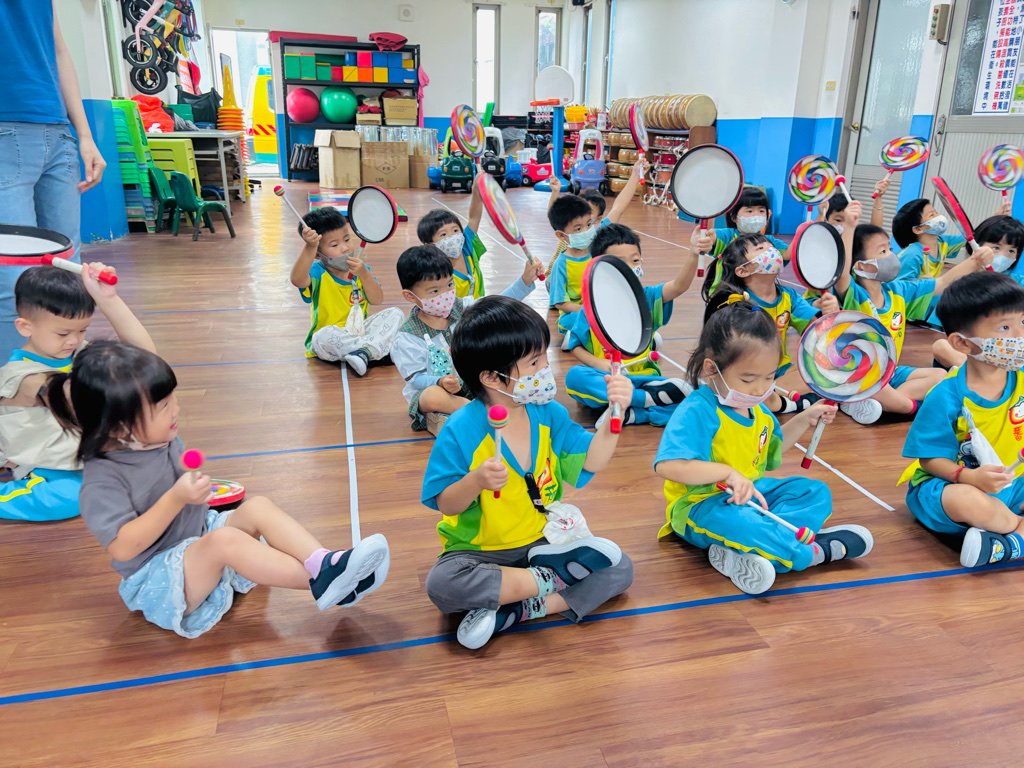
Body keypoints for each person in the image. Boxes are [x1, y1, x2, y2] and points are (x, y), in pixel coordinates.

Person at [46, 341, 391, 638]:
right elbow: (123, 548)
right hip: (161, 577)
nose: (176, 408)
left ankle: (325, 564)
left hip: (197, 537)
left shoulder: (152, 438)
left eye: (172, 398)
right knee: (224, 540)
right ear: (120, 427)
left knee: (257, 506)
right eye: (163, 406)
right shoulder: (101, 482)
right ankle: (324, 584)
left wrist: (108, 299)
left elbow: (142, 350)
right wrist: (175, 498)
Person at [422, 296, 635, 649]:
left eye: (543, 357)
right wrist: (475, 481)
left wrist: (616, 413)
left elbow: (592, 461)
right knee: (443, 585)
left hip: (542, 543)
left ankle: (520, 608)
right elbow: (446, 504)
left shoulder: (549, 414)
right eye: (534, 362)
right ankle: (550, 582)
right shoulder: (460, 429)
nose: (545, 368)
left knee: (621, 568)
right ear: (492, 377)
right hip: (480, 553)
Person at [654, 294, 873, 595]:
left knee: (814, 492)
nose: (760, 389)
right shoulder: (698, 410)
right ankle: (809, 552)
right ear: (711, 369)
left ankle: (765, 545)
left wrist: (805, 418)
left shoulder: (757, 410)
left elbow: (773, 451)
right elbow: (669, 465)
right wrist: (727, 474)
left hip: (753, 495)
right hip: (699, 506)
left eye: (769, 377)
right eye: (748, 379)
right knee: (742, 523)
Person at [0, 0, 108, 362]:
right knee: (14, 280)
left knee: (67, 270)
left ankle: (61, 376)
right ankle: (19, 388)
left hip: (58, 133)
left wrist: (85, 136)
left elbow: (59, 51)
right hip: (6, 130)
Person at [0, 263, 148, 521]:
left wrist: (108, 299)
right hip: (50, 463)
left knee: (163, 450)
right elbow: (65, 396)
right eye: (63, 333)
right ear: (25, 327)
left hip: (91, 451)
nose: (74, 340)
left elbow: (145, 362)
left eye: (82, 330)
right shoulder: (19, 378)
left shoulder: (80, 352)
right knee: (68, 498)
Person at [900, 271, 1024, 568]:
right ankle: (1015, 532)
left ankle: (1007, 540)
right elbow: (930, 460)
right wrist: (970, 478)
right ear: (963, 343)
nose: (1020, 336)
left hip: (1013, 483)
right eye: (1005, 327)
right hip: (954, 484)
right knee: (966, 500)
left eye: (1023, 322)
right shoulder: (946, 396)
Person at [834, 202, 993, 423]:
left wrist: (975, 261)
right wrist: (850, 227)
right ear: (862, 266)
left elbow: (942, 283)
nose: (892, 255)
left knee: (940, 375)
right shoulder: (854, 294)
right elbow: (842, 274)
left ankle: (882, 405)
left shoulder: (898, 290)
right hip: (858, 374)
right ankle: (906, 407)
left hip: (890, 372)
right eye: (883, 251)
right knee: (886, 391)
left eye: (889, 249)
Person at [391, 245, 538, 436]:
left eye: (449, 285)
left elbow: (495, 305)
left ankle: (482, 409)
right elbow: (416, 379)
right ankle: (475, 411)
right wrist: (440, 381)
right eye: (434, 291)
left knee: (501, 369)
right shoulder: (408, 336)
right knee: (430, 396)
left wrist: (524, 282)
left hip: (472, 382)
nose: (445, 295)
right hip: (439, 392)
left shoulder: (463, 308)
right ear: (410, 296)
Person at [565, 224, 694, 426]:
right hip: (608, 379)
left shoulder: (647, 297)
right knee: (575, 377)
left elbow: (678, 286)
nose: (629, 268)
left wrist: (694, 253)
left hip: (645, 381)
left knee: (690, 395)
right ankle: (641, 406)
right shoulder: (591, 307)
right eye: (619, 263)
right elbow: (575, 346)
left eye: (635, 260)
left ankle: (632, 408)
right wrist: (599, 364)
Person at [701, 233, 839, 414]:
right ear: (743, 271)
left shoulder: (790, 296)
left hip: (779, 370)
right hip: (745, 371)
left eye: (771, 247)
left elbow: (815, 335)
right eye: (760, 249)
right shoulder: (736, 300)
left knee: (824, 370)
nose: (772, 251)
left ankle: (770, 399)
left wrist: (829, 315)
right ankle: (780, 401)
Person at [289, 207, 403, 375]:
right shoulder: (317, 273)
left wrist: (364, 274)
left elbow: (377, 299)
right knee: (322, 337)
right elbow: (297, 280)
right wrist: (310, 247)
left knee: (396, 313)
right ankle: (373, 350)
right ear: (318, 254)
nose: (344, 248)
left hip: (360, 332)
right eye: (334, 245)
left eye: (347, 239)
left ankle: (364, 352)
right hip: (332, 337)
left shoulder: (361, 269)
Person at [547, 159, 647, 339]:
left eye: (589, 223)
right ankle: (580, 336)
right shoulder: (561, 262)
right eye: (578, 228)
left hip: (600, 303)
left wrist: (634, 175)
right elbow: (561, 303)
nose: (586, 230)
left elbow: (619, 207)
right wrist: (587, 310)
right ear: (563, 235)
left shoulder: (597, 236)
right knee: (579, 321)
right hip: (577, 311)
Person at [894, 196, 1010, 328]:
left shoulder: (942, 243)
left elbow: (971, 237)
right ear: (918, 229)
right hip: (908, 311)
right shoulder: (912, 254)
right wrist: (920, 282)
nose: (939, 217)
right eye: (932, 215)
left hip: (926, 299)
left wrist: (995, 217)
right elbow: (896, 287)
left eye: (936, 212)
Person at [933, 215, 1024, 368]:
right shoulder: (960, 284)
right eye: (996, 248)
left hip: (1012, 352)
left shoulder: (1018, 283)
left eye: (1011, 251)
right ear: (976, 245)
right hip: (974, 352)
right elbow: (944, 329)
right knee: (941, 346)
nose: (1003, 256)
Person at [416, 175, 488, 299]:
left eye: (455, 230)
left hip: (480, 308)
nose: (452, 237)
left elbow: (474, 218)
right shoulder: (434, 272)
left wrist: (476, 190)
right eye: (443, 234)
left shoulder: (467, 246)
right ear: (430, 245)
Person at [688, 186, 789, 261]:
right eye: (750, 211)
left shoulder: (770, 242)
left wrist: (798, 232)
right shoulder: (726, 236)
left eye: (761, 211)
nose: (756, 215)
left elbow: (788, 254)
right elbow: (708, 238)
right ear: (734, 217)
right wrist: (712, 209)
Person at [543, 177, 609, 278]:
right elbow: (555, 217)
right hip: (555, 277)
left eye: (588, 211)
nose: (580, 213)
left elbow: (618, 208)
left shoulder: (595, 236)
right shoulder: (567, 233)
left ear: (598, 219)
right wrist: (555, 192)